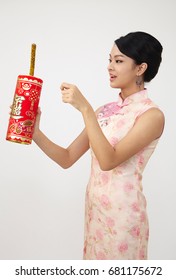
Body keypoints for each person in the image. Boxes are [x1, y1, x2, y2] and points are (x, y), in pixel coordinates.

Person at [33, 31, 165, 260]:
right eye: (110, 59)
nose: (110, 66)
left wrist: (84, 108)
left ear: (140, 68)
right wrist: (34, 132)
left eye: (119, 60)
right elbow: (67, 157)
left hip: (124, 219)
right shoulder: (103, 112)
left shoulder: (151, 115)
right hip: (96, 214)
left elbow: (109, 160)